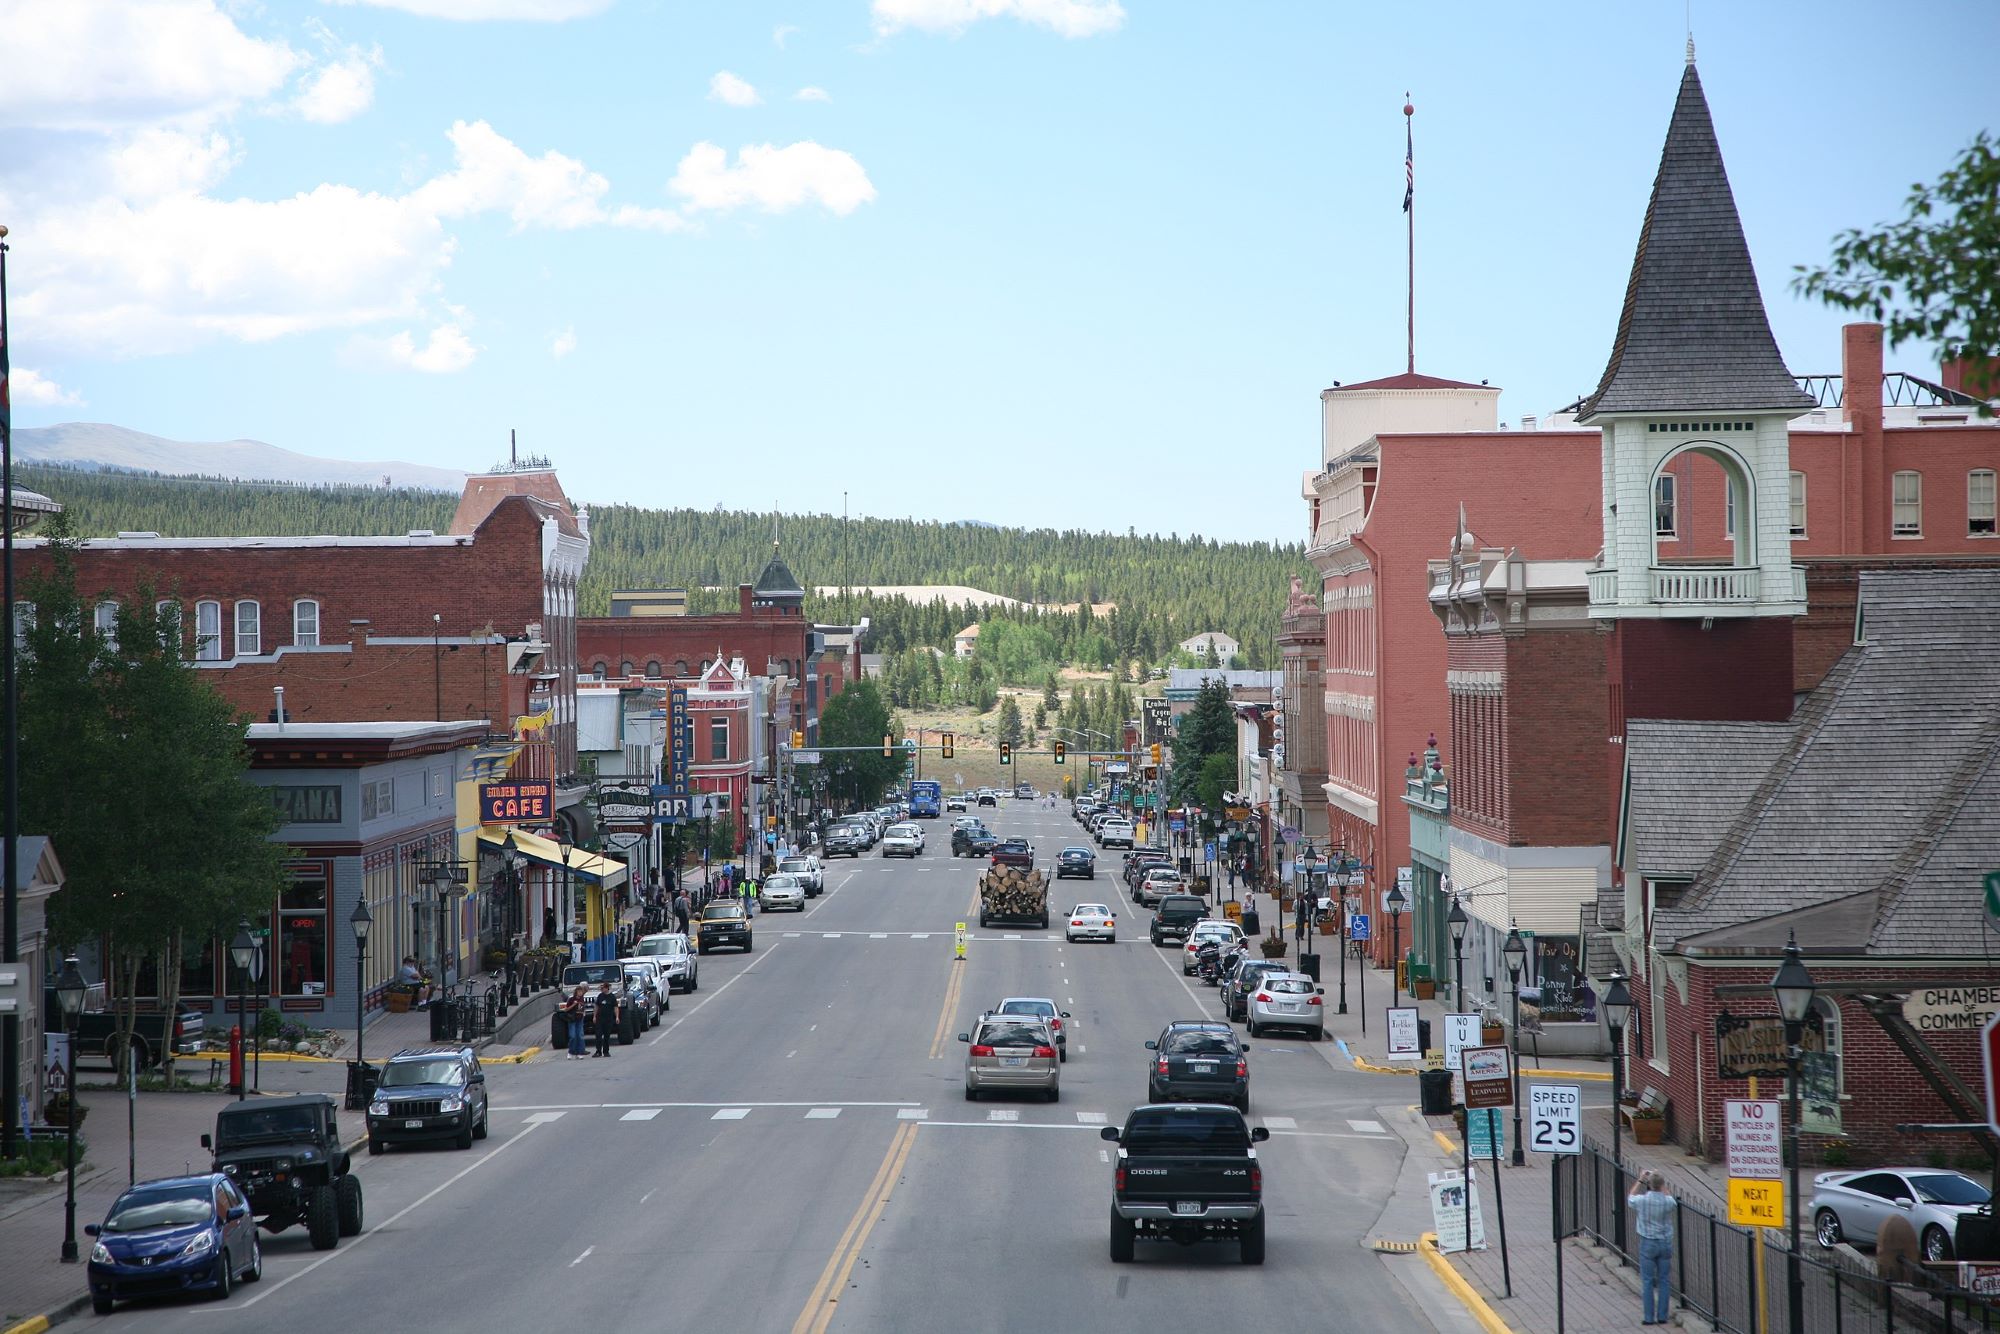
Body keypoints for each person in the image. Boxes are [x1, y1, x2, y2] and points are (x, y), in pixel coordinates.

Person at [1629, 1169, 1677, 1324]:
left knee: (1647, 1281)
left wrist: (1641, 1179)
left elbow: (1630, 1198)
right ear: (1662, 1185)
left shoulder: (1642, 1201)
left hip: (1648, 1242)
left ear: (1649, 1185)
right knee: (1664, 1280)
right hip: (1664, 1242)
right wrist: (1662, 1184)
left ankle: (1648, 1317)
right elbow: (1672, 1201)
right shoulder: (1667, 1202)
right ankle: (1662, 1316)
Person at [592, 982, 619, 1058]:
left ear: (607, 988)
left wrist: (617, 1017)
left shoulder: (612, 997)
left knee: (607, 1036)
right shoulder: (600, 996)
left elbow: (615, 1007)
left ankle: (606, 1051)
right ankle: (598, 1051)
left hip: (608, 1019)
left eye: (603, 988)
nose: (602, 989)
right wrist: (594, 1016)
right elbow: (596, 1007)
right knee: (598, 1035)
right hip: (600, 1019)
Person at [560, 985, 588, 1059]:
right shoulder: (571, 999)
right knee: (573, 1036)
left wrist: (583, 1012)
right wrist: (573, 1004)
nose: (580, 993)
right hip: (572, 1019)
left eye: (581, 992)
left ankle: (580, 1052)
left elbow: (582, 1007)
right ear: (576, 992)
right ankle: (571, 1052)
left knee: (580, 1036)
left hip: (580, 1019)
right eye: (579, 992)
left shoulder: (582, 999)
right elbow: (566, 1009)